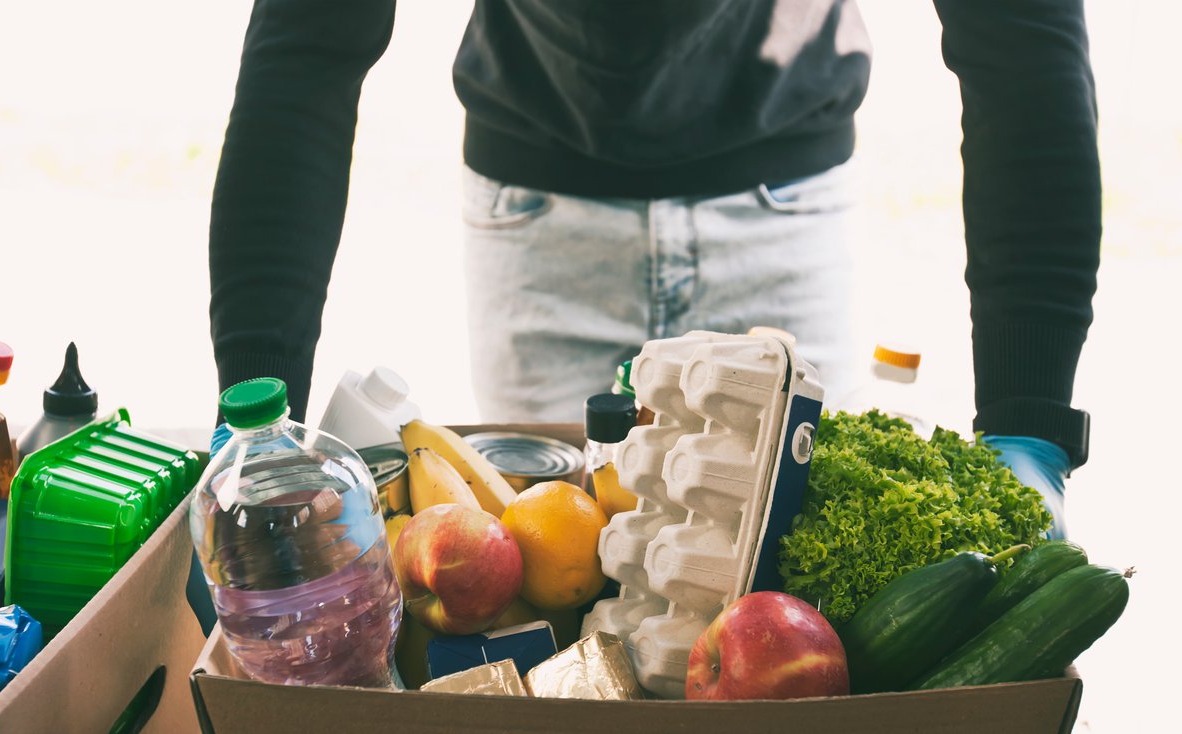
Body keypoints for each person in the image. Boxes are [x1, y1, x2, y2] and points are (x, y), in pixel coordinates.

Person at [207, 0, 1097, 536]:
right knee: (554, 641)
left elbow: (1019, 35)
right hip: (541, 220)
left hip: (784, 209)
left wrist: (1029, 424)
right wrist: (255, 411)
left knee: (803, 663)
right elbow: (309, 43)